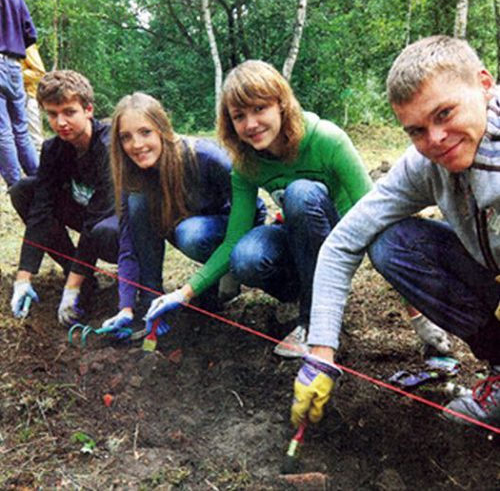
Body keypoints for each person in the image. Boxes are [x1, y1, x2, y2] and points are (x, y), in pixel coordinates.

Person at [291, 35, 500, 429]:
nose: (435, 140)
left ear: (485, 85)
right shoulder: (424, 165)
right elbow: (342, 243)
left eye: (444, 113)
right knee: (393, 245)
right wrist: (320, 351)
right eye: (416, 130)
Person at [143, 59, 374, 358]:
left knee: (301, 193)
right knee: (246, 256)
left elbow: (374, 213)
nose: (250, 124)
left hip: (339, 245)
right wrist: (184, 293)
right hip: (295, 239)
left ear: (281, 104)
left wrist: (417, 318)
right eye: (239, 116)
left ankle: (313, 322)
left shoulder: (326, 139)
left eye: (259, 109)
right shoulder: (247, 164)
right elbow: (232, 239)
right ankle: (298, 295)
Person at [100, 92, 266, 334]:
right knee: (142, 205)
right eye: (126, 137)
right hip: (192, 233)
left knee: (191, 232)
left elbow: (257, 212)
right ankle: (153, 301)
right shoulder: (134, 177)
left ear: (162, 128)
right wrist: (127, 306)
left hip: (235, 233)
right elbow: (130, 244)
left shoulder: (205, 157)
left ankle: (226, 276)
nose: (136, 145)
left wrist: (233, 258)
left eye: (145, 132)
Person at [9, 70, 118, 327]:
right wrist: (23, 278)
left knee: (103, 230)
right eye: (52, 114)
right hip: (84, 210)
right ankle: (81, 276)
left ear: (88, 109)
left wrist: (71, 288)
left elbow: (95, 219)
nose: (61, 122)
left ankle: (120, 285)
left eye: (69, 112)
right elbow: (40, 210)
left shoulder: (108, 146)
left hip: (116, 224)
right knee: (23, 190)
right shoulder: (53, 149)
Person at [0, 0, 39, 187]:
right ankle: (41, 181)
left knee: (2, 132)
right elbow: (31, 34)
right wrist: (11, 42)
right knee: (20, 130)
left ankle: (16, 188)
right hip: (15, 66)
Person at [21, 43, 46, 153]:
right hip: (6, 99)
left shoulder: (25, 44)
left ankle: (42, 168)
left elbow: (39, 72)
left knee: (35, 141)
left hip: (27, 96)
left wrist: (12, 74)